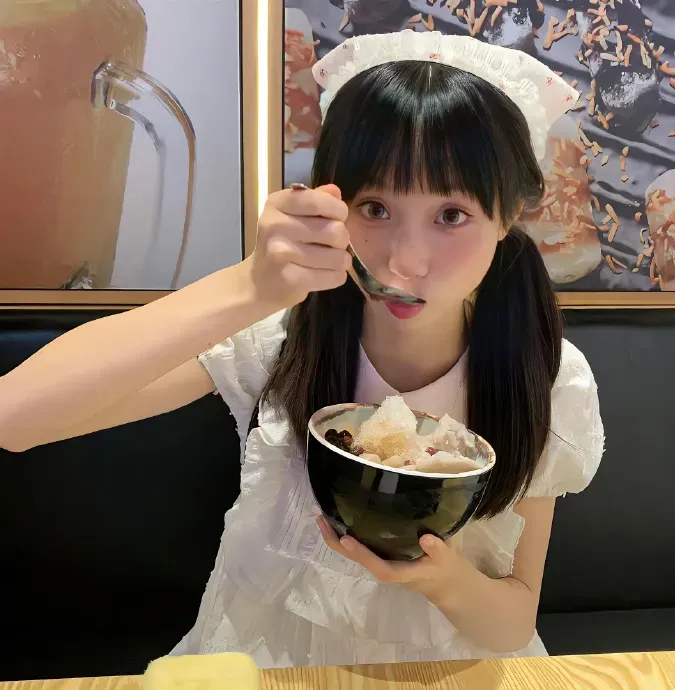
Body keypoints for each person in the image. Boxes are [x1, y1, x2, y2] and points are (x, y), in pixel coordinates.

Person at [0, 31, 604, 667]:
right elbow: (14, 416)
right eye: (374, 207)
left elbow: (513, 624)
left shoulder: (545, 378)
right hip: (265, 667)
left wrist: (438, 577)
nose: (405, 262)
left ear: (508, 216)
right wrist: (249, 287)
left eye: (451, 215)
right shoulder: (282, 339)